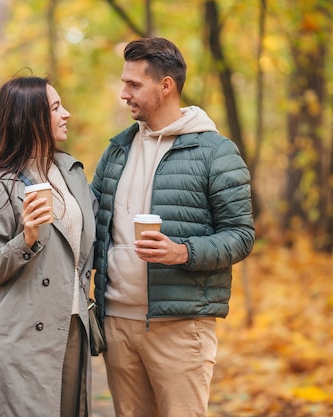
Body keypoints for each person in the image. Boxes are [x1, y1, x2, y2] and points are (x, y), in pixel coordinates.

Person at [91, 38, 255, 416]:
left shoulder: (216, 152)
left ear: (165, 86)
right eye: (124, 83)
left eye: (134, 85)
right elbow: (89, 217)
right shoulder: (117, 150)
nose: (123, 93)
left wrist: (183, 251)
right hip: (117, 323)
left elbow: (241, 235)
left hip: (180, 327)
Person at [0, 75, 97, 417]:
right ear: (31, 118)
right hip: (22, 337)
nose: (67, 114)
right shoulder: (2, 184)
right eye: (56, 107)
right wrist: (25, 239)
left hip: (72, 328)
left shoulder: (71, 173)